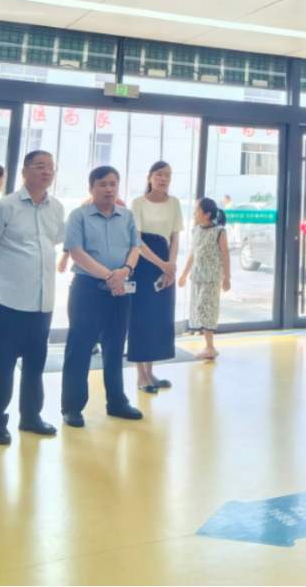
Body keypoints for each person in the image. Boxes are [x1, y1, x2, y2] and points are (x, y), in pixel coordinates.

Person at [0, 151, 65, 445]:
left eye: (50, 167)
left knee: (35, 364)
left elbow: (54, 242)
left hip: (43, 301)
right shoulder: (6, 206)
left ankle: (30, 417)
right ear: (24, 172)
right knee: (1, 365)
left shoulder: (57, 207)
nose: (47, 172)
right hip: (10, 300)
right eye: (40, 166)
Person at [60, 166, 143, 427]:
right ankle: (72, 407)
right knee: (80, 347)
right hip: (87, 289)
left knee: (115, 347)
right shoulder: (78, 215)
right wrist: (110, 276)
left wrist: (125, 271)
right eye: (103, 184)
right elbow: (76, 252)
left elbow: (135, 247)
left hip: (120, 290)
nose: (109, 189)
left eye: (113, 184)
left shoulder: (127, 216)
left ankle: (117, 402)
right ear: (91, 188)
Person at [128, 161, 184, 392]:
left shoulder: (174, 203)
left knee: (158, 318)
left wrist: (170, 266)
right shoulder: (138, 203)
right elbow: (137, 240)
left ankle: (150, 373)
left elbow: (175, 238)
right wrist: (163, 265)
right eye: (159, 174)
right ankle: (140, 375)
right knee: (141, 318)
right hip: (144, 265)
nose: (164, 179)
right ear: (149, 177)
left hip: (165, 264)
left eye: (168, 175)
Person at [178, 198, 231, 360]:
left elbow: (225, 255)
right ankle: (209, 346)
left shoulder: (220, 231)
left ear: (207, 214)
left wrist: (227, 278)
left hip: (212, 277)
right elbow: (193, 253)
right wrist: (184, 274)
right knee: (198, 308)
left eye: (197, 210)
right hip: (197, 276)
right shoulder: (196, 230)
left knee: (206, 308)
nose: (195, 213)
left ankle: (210, 347)